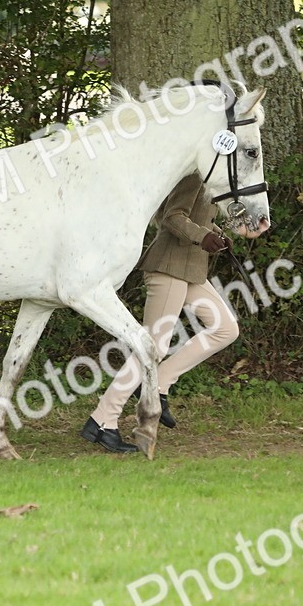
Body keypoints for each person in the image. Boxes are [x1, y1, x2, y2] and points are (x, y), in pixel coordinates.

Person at [80, 173, 240, 453]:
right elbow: (172, 217)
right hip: (168, 268)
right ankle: (103, 419)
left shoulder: (211, 178)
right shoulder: (192, 176)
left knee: (226, 328)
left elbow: (198, 220)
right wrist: (203, 236)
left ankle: (159, 384)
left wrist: (217, 235)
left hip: (190, 272)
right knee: (152, 347)